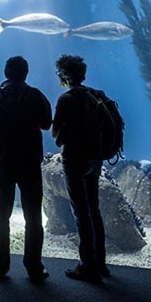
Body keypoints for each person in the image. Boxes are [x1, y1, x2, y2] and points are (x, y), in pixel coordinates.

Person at [0, 56, 52, 282]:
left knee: (1, 215)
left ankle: (1, 265)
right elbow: (47, 123)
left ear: (6, 72)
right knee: (34, 216)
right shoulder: (36, 95)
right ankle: (34, 266)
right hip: (29, 163)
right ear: (26, 73)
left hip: (3, 163)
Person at [53, 54, 108, 283]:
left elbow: (56, 135)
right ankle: (100, 262)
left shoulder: (66, 99)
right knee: (94, 209)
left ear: (65, 75)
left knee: (81, 212)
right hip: (95, 159)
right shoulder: (96, 96)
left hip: (74, 160)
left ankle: (87, 265)